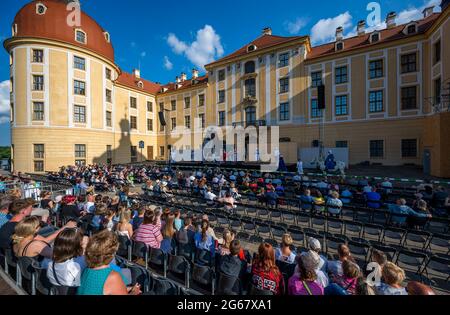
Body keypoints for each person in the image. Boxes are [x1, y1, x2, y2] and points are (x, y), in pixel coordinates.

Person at [77, 230, 141, 295]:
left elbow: (105, 289)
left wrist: (127, 288)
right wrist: (133, 293)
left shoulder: (86, 270)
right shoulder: (112, 276)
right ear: (112, 254)